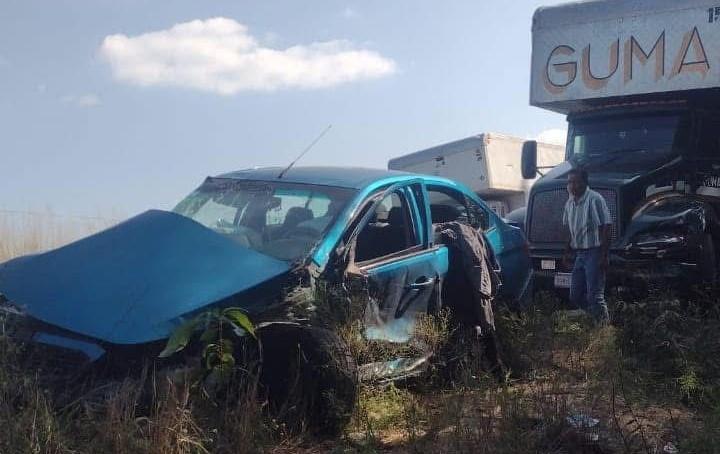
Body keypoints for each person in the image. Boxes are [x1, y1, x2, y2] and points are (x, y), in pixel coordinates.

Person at [561, 168, 611, 325]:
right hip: (579, 254)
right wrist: (566, 252)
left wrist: (603, 256)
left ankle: (603, 329)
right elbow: (570, 229)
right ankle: (593, 319)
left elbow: (606, 227)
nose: (572, 186)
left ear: (584, 182)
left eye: (576, 182)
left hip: (594, 252)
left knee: (595, 295)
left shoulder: (594, 199)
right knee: (574, 295)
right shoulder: (569, 203)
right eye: (569, 182)